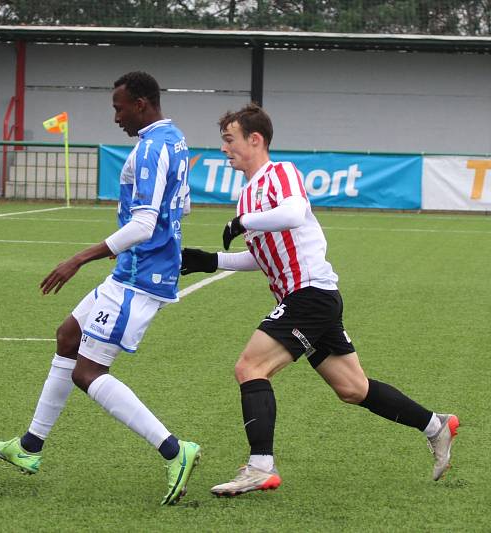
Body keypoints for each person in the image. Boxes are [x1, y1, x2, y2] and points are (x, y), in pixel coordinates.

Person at [181, 103, 459, 497]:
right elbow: (263, 257)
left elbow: (295, 212)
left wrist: (244, 222)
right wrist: (212, 261)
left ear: (254, 139)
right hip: (315, 299)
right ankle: (436, 425)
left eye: (229, 140)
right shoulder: (247, 197)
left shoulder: (280, 174)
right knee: (353, 388)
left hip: (308, 295)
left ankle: (260, 467)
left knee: (250, 367)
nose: (224, 149)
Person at [0, 71, 200, 505]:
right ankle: (29, 447)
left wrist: (79, 258)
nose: (115, 116)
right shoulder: (175, 138)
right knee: (68, 336)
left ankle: (175, 450)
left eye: (119, 107)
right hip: (136, 270)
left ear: (141, 103)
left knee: (88, 373)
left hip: (138, 276)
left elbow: (144, 223)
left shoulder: (153, 148)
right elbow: (184, 205)